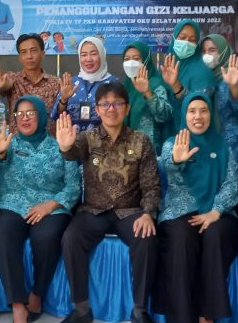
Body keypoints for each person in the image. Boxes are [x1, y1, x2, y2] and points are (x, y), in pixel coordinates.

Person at [56, 82, 161, 323]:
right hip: (94, 211)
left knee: (147, 239)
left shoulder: (141, 141)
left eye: (117, 104)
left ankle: (140, 310)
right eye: (105, 104)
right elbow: (72, 153)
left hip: (130, 211)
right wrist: (64, 147)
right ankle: (81, 309)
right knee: (71, 237)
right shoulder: (87, 138)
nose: (111, 109)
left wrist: (148, 213)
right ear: (97, 109)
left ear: (127, 108)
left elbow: (151, 185)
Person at [0, 96, 81, 323]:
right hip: (10, 203)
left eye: (30, 113)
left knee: (46, 237)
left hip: (50, 205)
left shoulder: (59, 144)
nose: (24, 118)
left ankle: (37, 294)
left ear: (41, 116)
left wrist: (51, 204)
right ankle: (18, 304)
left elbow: (73, 186)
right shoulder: (9, 142)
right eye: (19, 114)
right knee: (4, 234)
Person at [156, 93, 238, 323]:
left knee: (215, 236)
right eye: (192, 111)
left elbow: (231, 183)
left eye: (204, 111)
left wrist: (216, 210)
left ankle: (207, 315)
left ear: (210, 115)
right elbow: (169, 167)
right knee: (182, 239)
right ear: (184, 115)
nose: (198, 116)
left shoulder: (222, 146)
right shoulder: (173, 143)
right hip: (180, 211)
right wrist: (177, 160)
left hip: (218, 212)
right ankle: (181, 316)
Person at [0, 33, 61, 127]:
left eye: (33, 51)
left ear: (43, 54)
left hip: (48, 136)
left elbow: (60, 111)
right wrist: (1, 85)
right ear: (20, 57)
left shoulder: (56, 83)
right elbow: (7, 83)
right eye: (24, 52)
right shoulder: (14, 79)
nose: (29, 56)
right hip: (18, 136)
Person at [50, 37, 119, 133]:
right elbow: (55, 117)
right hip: (72, 139)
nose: (88, 59)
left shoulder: (113, 83)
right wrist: (64, 100)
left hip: (104, 140)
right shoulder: (71, 83)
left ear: (102, 55)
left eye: (93, 54)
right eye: (84, 55)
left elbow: (120, 116)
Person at [200, 34, 238, 159]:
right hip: (207, 143)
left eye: (212, 50)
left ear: (223, 51)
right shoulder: (202, 78)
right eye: (203, 51)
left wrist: (233, 88)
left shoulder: (236, 77)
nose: (206, 55)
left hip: (231, 147)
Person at [121, 41, 174, 152]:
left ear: (146, 60)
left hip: (149, 150)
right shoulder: (126, 86)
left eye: (136, 59)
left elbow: (165, 114)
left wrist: (147, 92)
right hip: (127, 149)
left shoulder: (155, 84)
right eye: (127, 59)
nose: (130, 63)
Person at [162, 19, 217, 104]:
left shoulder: (203, 73)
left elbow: (198, 107)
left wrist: (176, 86)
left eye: (192, 40)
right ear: (174, 39)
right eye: (182, 38)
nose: (186, 43)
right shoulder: (166, 69)